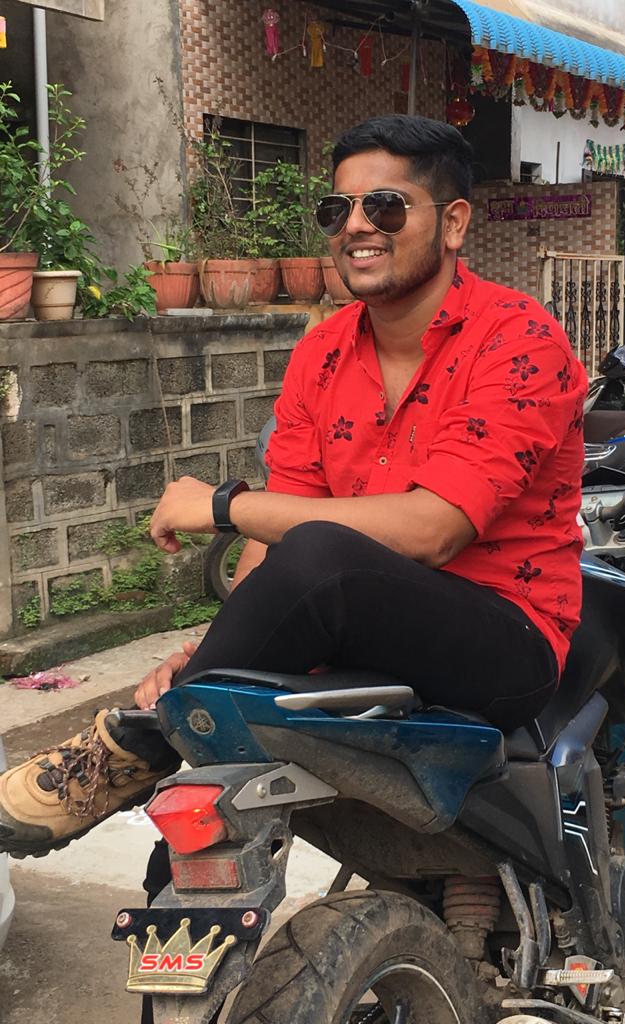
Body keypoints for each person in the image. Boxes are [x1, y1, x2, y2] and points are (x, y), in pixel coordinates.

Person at [0, 115, 587, 866]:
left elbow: (433, 530)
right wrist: (216, 657)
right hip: (361, 634)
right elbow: (278, 541)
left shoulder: (517, 339)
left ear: (453, 223)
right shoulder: (322, 353)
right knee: (203, 809)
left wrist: (223, 505)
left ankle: (135, 747)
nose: (356, 226)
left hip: (503, 643)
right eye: (338, 209)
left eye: (385, 206)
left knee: (318, 552)